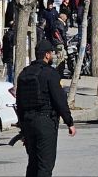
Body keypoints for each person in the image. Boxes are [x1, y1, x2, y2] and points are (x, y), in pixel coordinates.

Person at [15, 40, 76, 177]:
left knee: (33, 163)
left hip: (28, 122)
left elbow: (20, 104)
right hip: (45, 122)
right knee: (45, 166)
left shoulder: (24, 74)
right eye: (52, 53)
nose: (53, 56)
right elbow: (59, 100)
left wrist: (23, 129)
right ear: (47, 55)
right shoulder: (50, 73)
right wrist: (69, 122)